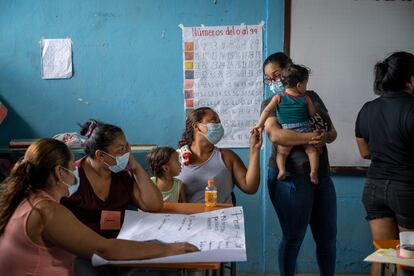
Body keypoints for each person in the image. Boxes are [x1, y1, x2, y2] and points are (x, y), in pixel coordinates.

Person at [0, 138, 198, 276]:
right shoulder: (47, 210)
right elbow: (103, 249)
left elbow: (153, 204)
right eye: (73, 168)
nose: (77, 172)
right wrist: (168, 249)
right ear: (60, 172)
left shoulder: (26, 199)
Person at [262, 52, 338, 276]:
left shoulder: (311, 97)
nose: (273, 81)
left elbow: (332, 133)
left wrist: (323, 136)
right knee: (293, 237)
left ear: (290, 70)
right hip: (289, 178)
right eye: (268, 78)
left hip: (321, 176)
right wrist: (311, 138)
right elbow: (277, 136)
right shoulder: (272, 102)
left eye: (275, 75)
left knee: (328, 238)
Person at [355, 51, 414, 276]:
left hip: (373, 188)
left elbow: (364, 151)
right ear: (410, 78)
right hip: (406, 190)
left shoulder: (368, 109)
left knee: (384, 255)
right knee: (409, 258)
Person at [176, 107, 262, 204]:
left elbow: (250, 187)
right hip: (188, 218)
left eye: (219, 122)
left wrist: (254, 150)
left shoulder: (227, 157)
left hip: (222, 217)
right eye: (214, 121)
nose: (218, 126)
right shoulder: (176, 158)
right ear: (196, 126)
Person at [255, 64, 319, 184]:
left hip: (287, 131)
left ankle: (282, 170)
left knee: (282, 152)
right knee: (312, 151)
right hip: (305, 129)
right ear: (299, 85)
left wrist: (259, 125)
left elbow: (267, 111)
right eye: (305, 84)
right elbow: (312, 113)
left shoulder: (278, 97)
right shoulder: (306, 98)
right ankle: (313, 172)